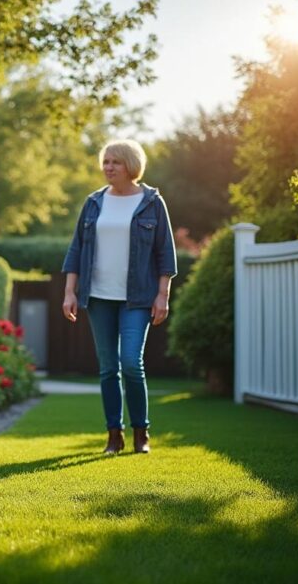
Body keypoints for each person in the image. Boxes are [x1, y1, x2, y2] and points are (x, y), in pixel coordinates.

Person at [61, 139, 177, 455]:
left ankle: (142, 432)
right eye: (106, 161)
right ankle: (114, 434)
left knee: (130, 363)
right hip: (98, 296)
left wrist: (162, 295)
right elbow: (77, 249)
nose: (108, 167)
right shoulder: (94, 202)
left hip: (138, 297)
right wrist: (70, 291)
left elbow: (165, 252)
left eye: (116, 162)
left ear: (131, 166)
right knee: (108, 367)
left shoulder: (152, 202)